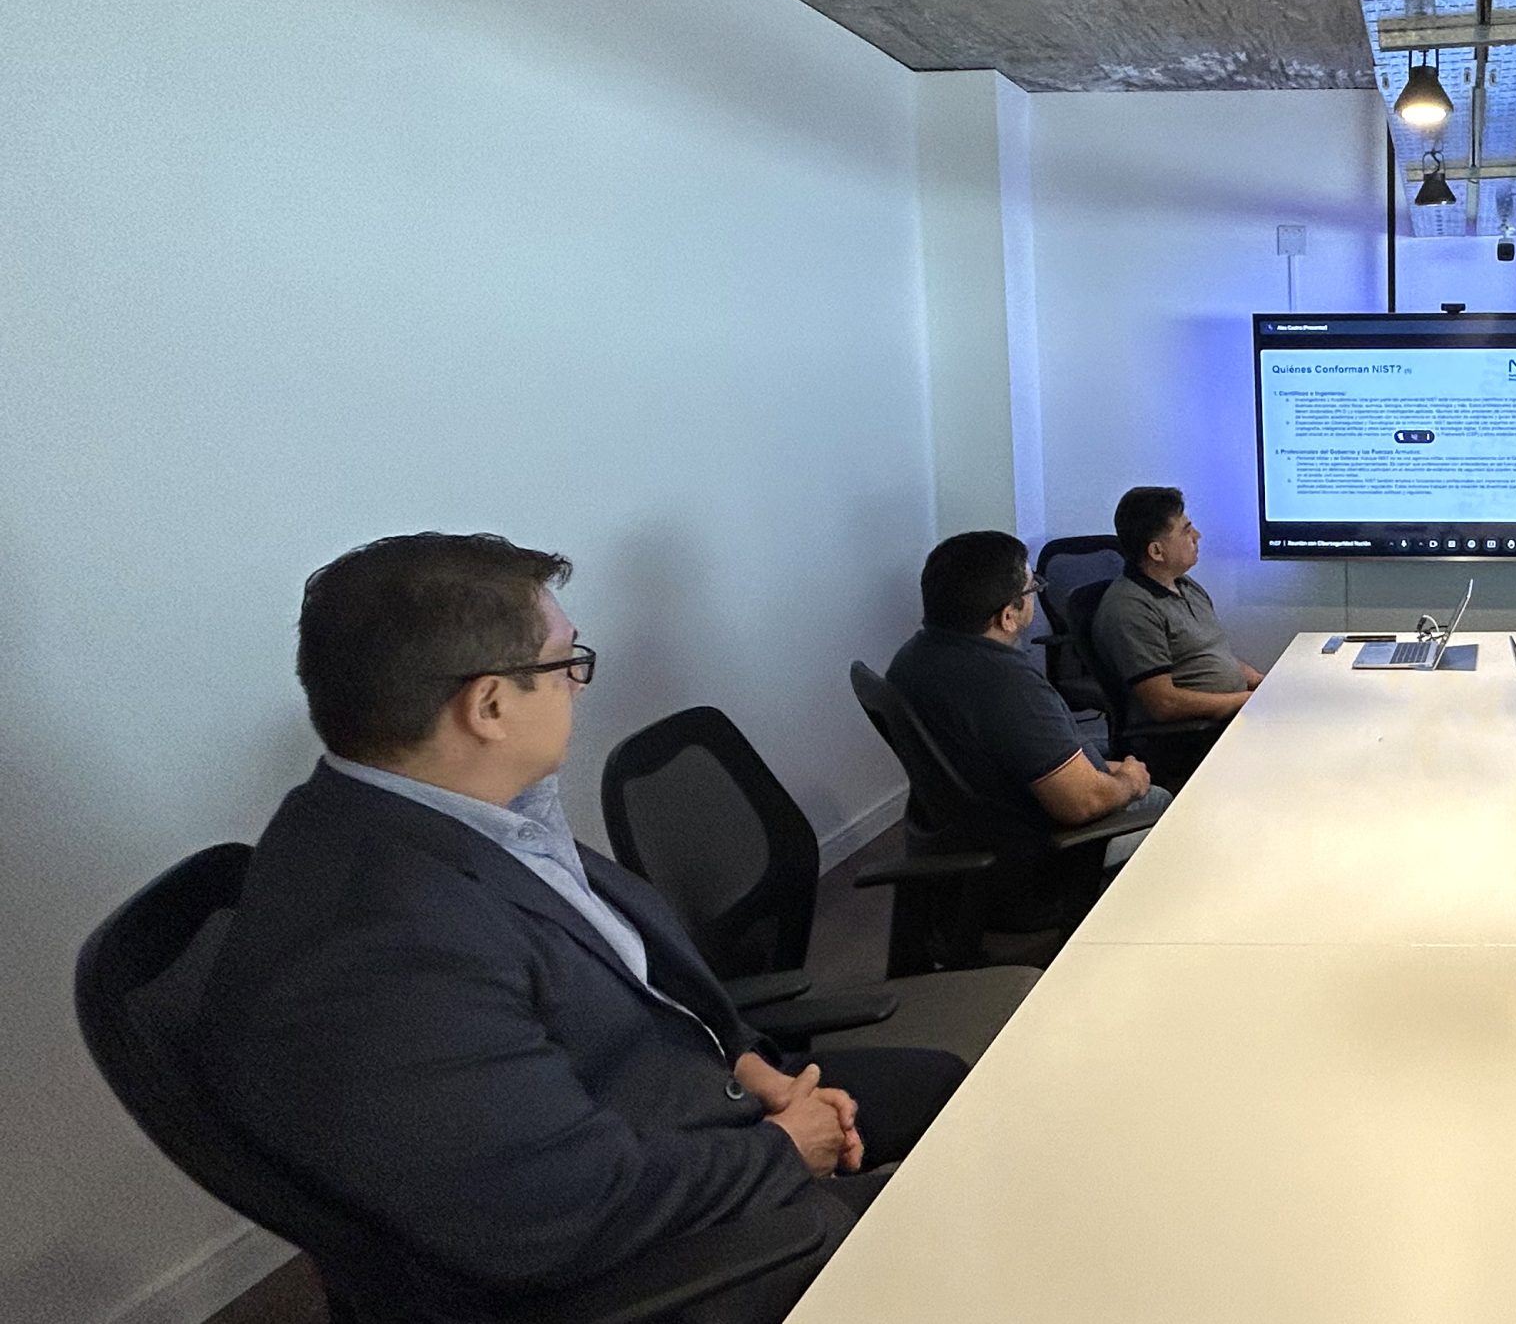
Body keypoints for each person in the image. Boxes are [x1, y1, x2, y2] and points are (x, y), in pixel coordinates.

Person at [195, 533, 967, 1324]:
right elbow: (559, 1206)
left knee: (952, 1088)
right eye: (567, 661)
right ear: (490, 706)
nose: (579, 684)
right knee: (967, 1236)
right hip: (633, 1237)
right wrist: (783, 1148)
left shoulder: (462, 810)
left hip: (680, 1093)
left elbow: (636, 976)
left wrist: (746, 1060)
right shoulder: (384, 942)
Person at [887, 529, 1166, 831]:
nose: (1035, 593)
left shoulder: (909, 660)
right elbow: (1083, 802)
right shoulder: (1007, 684)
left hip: (972, 820)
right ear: (1008, 616)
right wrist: (1129, 781)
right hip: (1038, 839)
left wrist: (1101, 769)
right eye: (1033, 588)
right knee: (1162, 799)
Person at [1089, 487, 1262, 784]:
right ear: (1157, 551)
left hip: (1229, 716)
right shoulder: (1131, 609)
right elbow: (1164, 704)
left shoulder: (1185, 586)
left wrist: (1262, 683)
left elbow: (1211, 654)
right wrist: (1242, 700)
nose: (1197, 536)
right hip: (1190, 736)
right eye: (1186, 530)